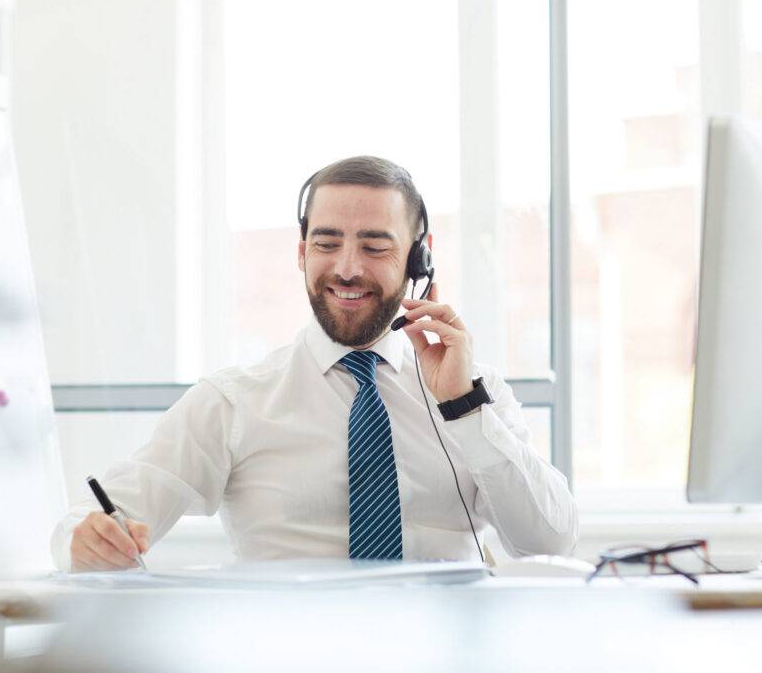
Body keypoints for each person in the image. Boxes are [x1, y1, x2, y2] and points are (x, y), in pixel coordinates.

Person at [51, 156, 577, 571]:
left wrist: (464, 408)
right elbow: (92, 519)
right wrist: (88, 541)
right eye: (327, 243)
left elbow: (548, 540)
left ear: (420, 257)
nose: (347, 269)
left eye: (374, 246)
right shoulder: (235, 400)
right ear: (302, 252)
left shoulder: (472, 392)